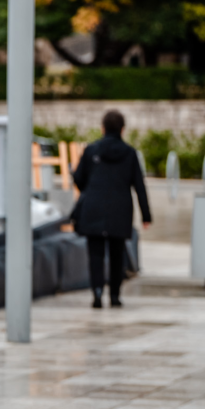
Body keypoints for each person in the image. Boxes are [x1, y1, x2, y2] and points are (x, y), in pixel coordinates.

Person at [72, 110, 152, 309]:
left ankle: (97, 294)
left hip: (94, 208)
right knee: (117, 254)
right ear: (122, 130)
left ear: (103, 128)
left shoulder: (91, 150)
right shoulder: (130, 153)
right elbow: (139, 186)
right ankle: (115, 295)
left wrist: (91, 189)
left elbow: (78, 178)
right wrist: (146, 215)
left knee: (95, 255)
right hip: (120, 210)